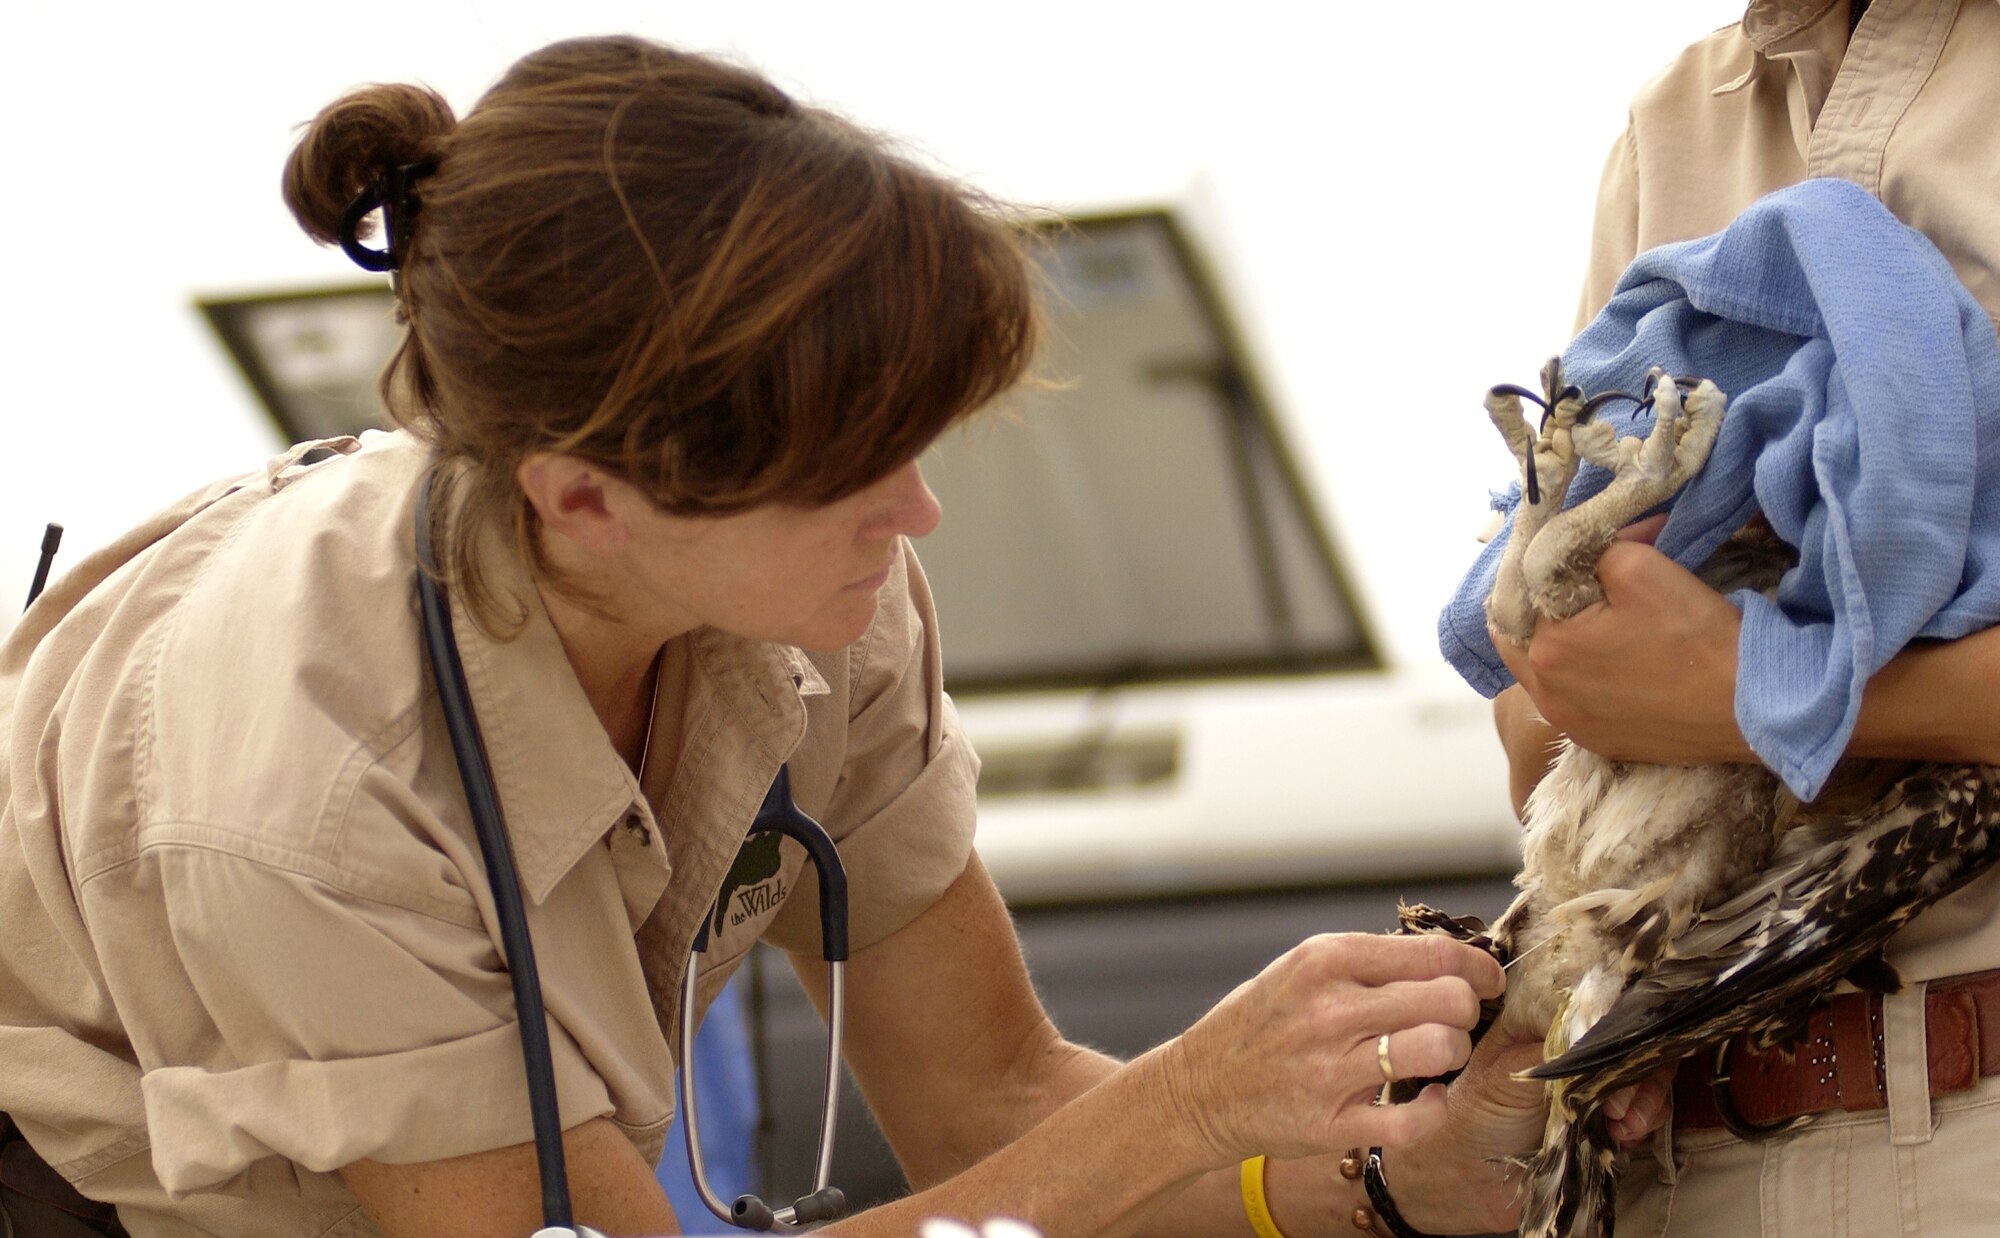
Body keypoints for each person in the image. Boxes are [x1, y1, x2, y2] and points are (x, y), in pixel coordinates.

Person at [0, 35, 1568, 1238]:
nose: (917, 518)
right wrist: (1188, 1093)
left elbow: (991, 1113)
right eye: (843, 475)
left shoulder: (824, 595)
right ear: (585, 497)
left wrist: (1389, 1173)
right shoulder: (300, 792)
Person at [1491, 1, 2000, 1233]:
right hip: (1678, 1140)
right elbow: (1529, 722)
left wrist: (1750, 692)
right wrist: (1573, 645)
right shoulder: (1675, 114)